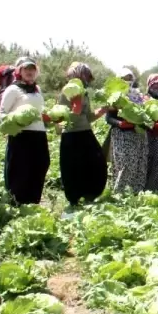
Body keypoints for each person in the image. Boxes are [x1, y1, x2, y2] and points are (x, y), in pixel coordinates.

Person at [0, 57, 51, 205]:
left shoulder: (37, 89)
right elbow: (2, 113)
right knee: (20, 170)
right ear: (19, 71)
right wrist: (16, 120)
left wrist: (51, 118)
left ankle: (33, 202)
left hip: (39, 135)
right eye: (26, 69)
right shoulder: (13, 89)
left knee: (41, 165)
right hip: (21, 136)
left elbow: (39, 113)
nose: (29, 72)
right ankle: (18, 203)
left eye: (32, 69)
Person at [57, 62, 108, 206]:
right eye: (84, 75)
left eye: (87, 76)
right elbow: (62, 119)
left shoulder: (84, 92)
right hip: (72, 135)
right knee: (73, 168)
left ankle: (90, 195)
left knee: (97, 163)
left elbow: (88, 117)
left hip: (85, 132)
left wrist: (103, 109)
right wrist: (75, 109)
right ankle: (74, 200)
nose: (86, 79)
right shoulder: (68, 91)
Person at [106, 68, 148, 193]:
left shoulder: (138, 95)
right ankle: (120, 193)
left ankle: (136, 192)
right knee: (124, 164)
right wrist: (120, 123)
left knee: (139, 163)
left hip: (138, 134)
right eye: (124, 78)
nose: (127, 81)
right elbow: (109, 118)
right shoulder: (115, 96)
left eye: (130, 78)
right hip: (122, 135)